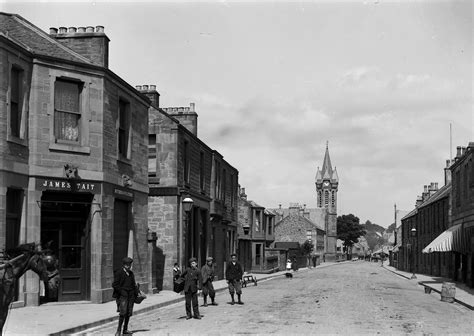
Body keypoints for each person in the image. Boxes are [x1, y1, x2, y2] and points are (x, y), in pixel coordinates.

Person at [112, 257, 138, 336]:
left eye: (130, 264)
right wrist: (122, 292)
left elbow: (133, 284)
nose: (129, 266)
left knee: (128, 313)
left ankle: (125, 329)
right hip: (123, 296)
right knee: (123, 313)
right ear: (124, 265)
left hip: (131, 295)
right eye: (127, 265)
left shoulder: (131, 273)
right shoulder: (119, 273)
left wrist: (135, 290)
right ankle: (118, 330)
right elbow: (114, 284)